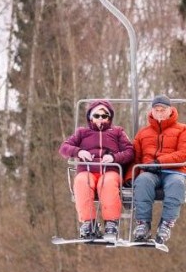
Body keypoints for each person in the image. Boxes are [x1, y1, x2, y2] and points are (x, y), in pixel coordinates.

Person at [58, 99, 135, 240]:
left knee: (107, 183)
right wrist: (78, 152)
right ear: (90, 117)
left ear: (109, 117)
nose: (100, 119)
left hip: (110, 170)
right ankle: (88, 223)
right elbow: (64, 148)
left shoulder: (117, 132)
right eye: (97, 115)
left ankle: (111, 223)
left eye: (104, 116)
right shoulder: (82, 132)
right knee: (82, 182)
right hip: (88, 170)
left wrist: (113, 157)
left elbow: (129, 152)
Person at [128, 95, 186, 246]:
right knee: (142, 181)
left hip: (174, 171)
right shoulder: (143, 133)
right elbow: (135, 158)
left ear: (170, 110)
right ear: (152, 111)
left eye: (162, 110)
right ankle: (143, 224)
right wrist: (129, 177)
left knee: (177, 184)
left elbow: (184, 153)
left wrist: (159, 162)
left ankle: (166, 224)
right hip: (150, 172)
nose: (159, 113)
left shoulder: (183, 130)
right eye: (156, 110)